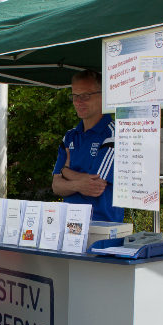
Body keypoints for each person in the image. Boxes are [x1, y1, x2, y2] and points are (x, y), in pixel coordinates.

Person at [52, 70, 124, 222]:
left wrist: (65, 171)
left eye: (85, 96)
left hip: (102, 226)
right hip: (69, 223)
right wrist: (78, 185)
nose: (78, 102)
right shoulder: (70, 136)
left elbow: (95, 186)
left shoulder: (114, 134)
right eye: (75, 96)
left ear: (104, 96)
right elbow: (56, 186)